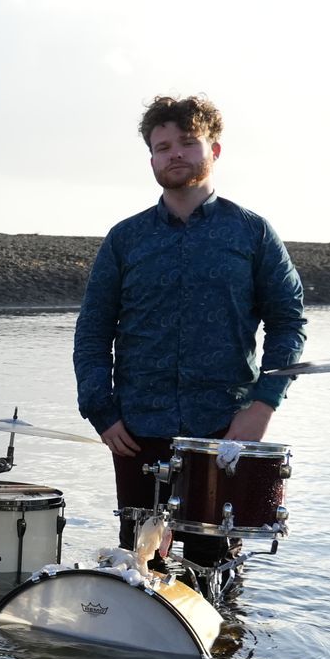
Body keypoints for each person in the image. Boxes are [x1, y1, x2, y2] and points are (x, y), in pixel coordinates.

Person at [73, 93, 307, 564]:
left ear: (214, 150)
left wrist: (262, 407)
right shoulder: (125, 239)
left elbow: (288, 323)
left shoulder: (252, 233)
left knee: (215, 571)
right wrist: (101, 410)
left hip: (223, 430)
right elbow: (93, 332)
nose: (174, 154)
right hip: (137, 430)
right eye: (162, 147)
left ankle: (222, 638)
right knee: (140, 571)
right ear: (152, 159)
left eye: (187, 142)